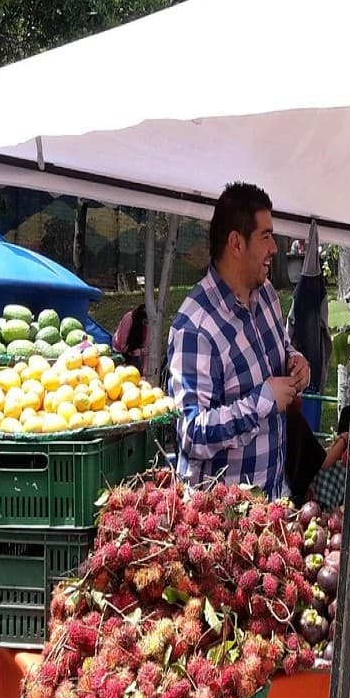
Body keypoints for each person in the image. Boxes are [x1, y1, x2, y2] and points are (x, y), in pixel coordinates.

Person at [167, 182, 310, 496]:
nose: (274, 247)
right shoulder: (196, 326)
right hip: (223, 525)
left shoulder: (267, 295)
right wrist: (262, 402)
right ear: (236, 243)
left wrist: (295, 360)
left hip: (272, 501)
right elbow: (191, 433)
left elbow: (282, 347)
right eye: (266, 236)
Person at [112, 304, 149, 372]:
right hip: (121, 351)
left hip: (135, 351)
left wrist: (145, 368)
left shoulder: (147, 326)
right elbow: (124, 347)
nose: (147, 325)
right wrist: (140, 352)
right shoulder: (128, 319)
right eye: (145, 322)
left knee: (139, 372)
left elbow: (146, 348)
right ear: (140, 319)